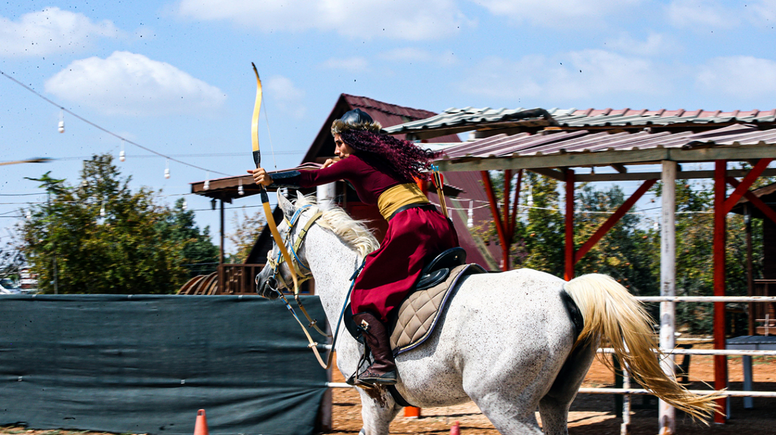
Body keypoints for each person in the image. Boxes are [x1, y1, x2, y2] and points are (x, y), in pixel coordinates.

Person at [250, 109, 459, 386]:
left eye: (339, 143)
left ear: (353, 140)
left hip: (410, 226)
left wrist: (271, 179)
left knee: (363, 293)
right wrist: (338, 169)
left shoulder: (356, 162)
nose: (336, 149)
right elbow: (360, 177)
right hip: (438, 224)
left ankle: (383, 364)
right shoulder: (387, 160)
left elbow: (311, 179)